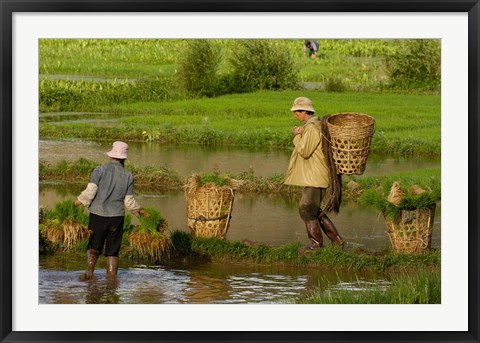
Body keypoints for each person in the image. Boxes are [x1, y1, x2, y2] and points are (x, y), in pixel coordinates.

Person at [75, 141, 147, 280]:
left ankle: (89, 273)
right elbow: (129, 202)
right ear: (124, 158)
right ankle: (112, 280)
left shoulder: (99, 170)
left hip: (97, 215)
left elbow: (90, 193)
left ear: (111, 155)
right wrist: (141, 211)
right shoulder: (128, 176)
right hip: (117, 217)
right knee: (113, 250)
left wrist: (76, 202)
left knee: (94, 245)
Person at [284, 97, 345, 251]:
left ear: (306, 111)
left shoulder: (311, 128)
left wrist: (297, 135)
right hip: (315, 175)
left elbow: (304, 151)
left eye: (297, 111)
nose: (295, 114)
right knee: (313, 210)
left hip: (315, 176)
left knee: (306, 209)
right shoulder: (314, 125)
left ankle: (316, 245)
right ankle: (337, 241)